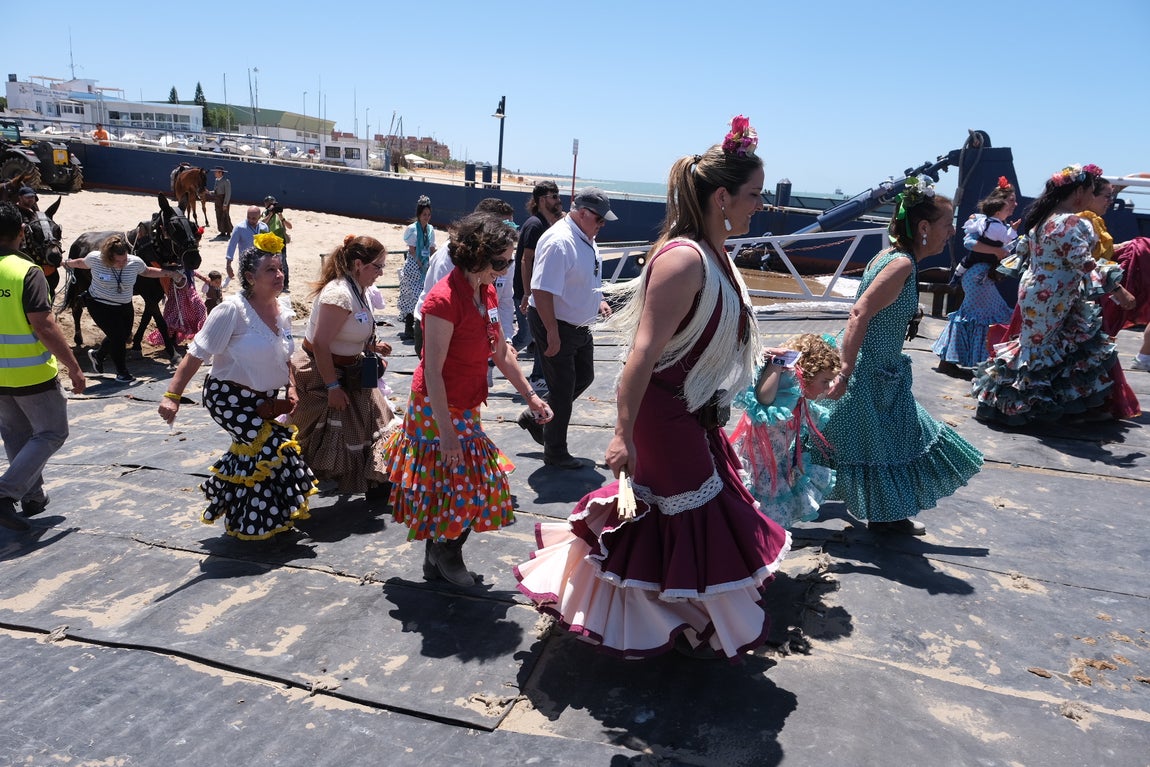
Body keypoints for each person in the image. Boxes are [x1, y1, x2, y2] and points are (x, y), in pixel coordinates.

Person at [515, 116, 792, 659]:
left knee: (672, 517)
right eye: (754, 194)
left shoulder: (716, 255)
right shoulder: (685, 259)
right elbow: (640, 355)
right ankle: (660, 621)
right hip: (663, 416)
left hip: (693, 413)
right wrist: (622, 434)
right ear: (721, 196)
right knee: (684, 517)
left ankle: (673, 618)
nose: (760, 203)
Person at [383, 213, 551, 587]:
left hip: (467, 405)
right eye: (500, 262)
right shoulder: (442, 301)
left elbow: (501, 351)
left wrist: (531, 396)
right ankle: (446, 553)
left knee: (459, 486)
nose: (506, 270)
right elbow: (432, 372)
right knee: (459, 486)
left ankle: (437, 555)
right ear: (476, 256)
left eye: (509, 261)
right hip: (436, 409)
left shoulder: (486, 291)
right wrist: (446, 432)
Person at [814, 179, 983, 534]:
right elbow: (859, 313)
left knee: (884, 443)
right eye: (946, 225)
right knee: (865, 442)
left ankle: (887, 516)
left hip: (883, 371)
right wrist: (844, 373)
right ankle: (884, 517)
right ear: (923, 227)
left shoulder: (891, 257)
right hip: (869, 373)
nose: (951, 232)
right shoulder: (901, 265)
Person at [158, 233, 317, 541]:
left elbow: (286, 357)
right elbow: (195, 354)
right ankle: (257, 522)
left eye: (280, 267)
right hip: (227, 398)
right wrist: (172, 396)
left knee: (252, 457)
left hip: (264, 400)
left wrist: (292, 388)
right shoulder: (232, 311)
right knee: (274, 449)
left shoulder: (283, 309)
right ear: (249, 277)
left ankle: (247, 517)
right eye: (270, 269)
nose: (279, 274)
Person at [973, 164, 1127, 424]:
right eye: (1092, 191)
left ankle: (1048, 405)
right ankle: (1019, 407)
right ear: (1079, 192)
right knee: (1035, 352)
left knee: (1045, 346)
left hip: (1043, 291)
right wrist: (1118, 290)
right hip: (1050, 295)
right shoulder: (1069, 221)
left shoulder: (1046, 218)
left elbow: (1026, 254)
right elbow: (1083, 261)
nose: (1094, 198)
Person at [289, 235, 400, 498]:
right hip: (322, 372)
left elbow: (349, 331)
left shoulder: (358, 289)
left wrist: (371, 347)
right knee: (312, 439)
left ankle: (378, 482)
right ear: (359, 264)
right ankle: (287, 488)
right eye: (378, 266)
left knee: (376, 423)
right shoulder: (338, 294)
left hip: (352, 372)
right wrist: (332, 386)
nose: (381, 273)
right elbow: (320, 344)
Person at [0, 202, 86, 531]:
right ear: (22, 233)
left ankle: (32, 496)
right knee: (52, 432)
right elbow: (45, 326)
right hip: (31, 374)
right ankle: (5, 492)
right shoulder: (26, 272)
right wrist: (74, 367)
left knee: (16, 433)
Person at [519, 187, 615, 469]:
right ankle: (556, 451)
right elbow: (542, 289)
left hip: (578, 323)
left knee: (584, 376)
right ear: (583, 213)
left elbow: (584, 274)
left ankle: (537, 415)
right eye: (599, 220)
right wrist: (551, 332)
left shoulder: (585, 235)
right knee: (562, 390)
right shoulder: (559, 241)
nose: (602, 226)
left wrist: (598, 300)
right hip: (557, 322)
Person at [729, 333, 839, 530]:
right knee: (753, 511)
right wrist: (777, 364)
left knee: (765, 516)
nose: (829, 386)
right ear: (807, 374)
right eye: (825, 380)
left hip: (775, 462)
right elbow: (763, 398)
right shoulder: (783, 390)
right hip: (755, 464)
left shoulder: (798, 396)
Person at [62, 234, 185, 382]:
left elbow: (147, 271)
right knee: (118, 338)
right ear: (108, 257)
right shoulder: (96, 259)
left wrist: (171, 273)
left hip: (124, 305)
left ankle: (98, 355)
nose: (122, 263)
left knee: (124, 334)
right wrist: (66, 263)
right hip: (99, 304)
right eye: (118, 260)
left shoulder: (134, 262)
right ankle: (122, 373)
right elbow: (81, 263)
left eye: (124, 259)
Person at [932, 178, 1018, 373]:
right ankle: (976, 362)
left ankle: (954, 360)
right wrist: (996, 252)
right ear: (1001, 202)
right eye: (1012, 200)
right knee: (981, 317)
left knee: (979, 315)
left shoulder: (1001, 227)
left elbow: (1004, 250)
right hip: (977, 276)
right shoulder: (982, 222)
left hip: (984, 276)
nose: (1015, 204)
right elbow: (969, 243)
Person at [413, 197, 517, 359]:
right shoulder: (450, 256)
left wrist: (506, 339)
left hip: (479, 325)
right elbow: (443, 306)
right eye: (504, 227)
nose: (508, 234)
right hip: (438, 325)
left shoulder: (505, 257)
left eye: (512, 226)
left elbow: (504, 301)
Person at [514, 181, 565, 394]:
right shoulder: (535, 225)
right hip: (527, 291)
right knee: (526, 336)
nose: (558, 200)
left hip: (537, 291)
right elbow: (527, 260)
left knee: (539, 333)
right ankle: (489, 361)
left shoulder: (547, 223)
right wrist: (527, 293)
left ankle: (537, 376)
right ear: (542, 200)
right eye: (554, 196)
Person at [397, 195, 435, 341]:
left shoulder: (430, 230)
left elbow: (431, 248)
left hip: (425, 265)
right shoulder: (413, 229)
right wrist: (419, 262)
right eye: (424, 214)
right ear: (419, 214)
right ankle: (409, 326)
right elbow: (412, 249)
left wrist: (432, 260)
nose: (427, 217)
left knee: (422, 294)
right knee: (412, 295)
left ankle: (418, 327)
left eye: (428, 214)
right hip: (414, 265)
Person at [226, 206, 269, 280]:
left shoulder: (264, 227)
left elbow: (267, 245)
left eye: (254, 218)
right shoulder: (239, 228)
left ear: (259, 216)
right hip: (245, 263)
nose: (250, 220)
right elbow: (232, 245)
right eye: (248, 217)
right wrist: (228, 265)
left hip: (260, 263)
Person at [262, 196, 292, 292]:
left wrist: (282, 218)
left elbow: (290, 226)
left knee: (282, 263)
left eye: (274, 204)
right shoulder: (265, 213)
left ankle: (285, 283)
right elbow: (262, 224)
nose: (274, 206)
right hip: (269, 242)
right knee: (269, 263)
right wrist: (270, 214)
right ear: (266, 205)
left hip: (280, 242)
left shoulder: (279, 215)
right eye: (271, 204)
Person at [210, 167, 232, 240]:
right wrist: (209, 192)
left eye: (216, 172)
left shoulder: (226, 181)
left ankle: (228, 232)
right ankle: (222, 231)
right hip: (217, 200)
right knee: (218, 215)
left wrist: (225, 204)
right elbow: (215, 191)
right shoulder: (216, 180)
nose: (215, 173)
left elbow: (228, 193)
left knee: (225, 215)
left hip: (223, 200)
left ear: (220, 173)